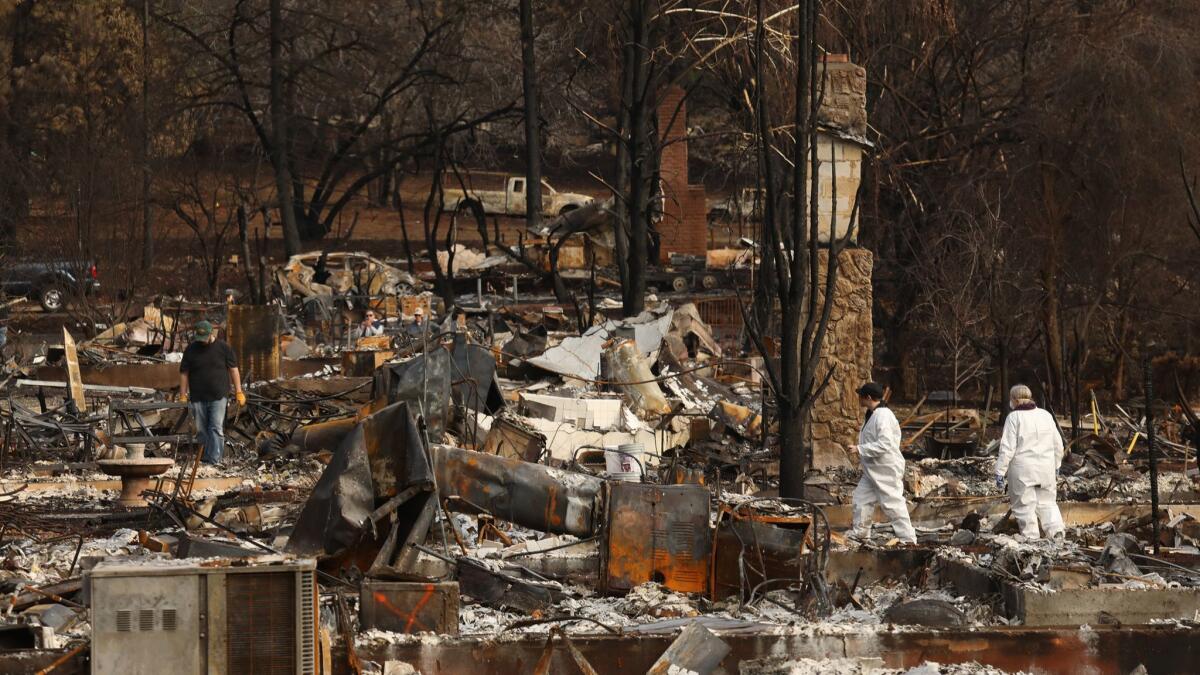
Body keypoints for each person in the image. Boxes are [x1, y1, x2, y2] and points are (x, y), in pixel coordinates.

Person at [995, 384, 1065, 540]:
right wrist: (1057, 464)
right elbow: (1058, 444)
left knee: (1025, 507)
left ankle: (1031, 540)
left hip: (1023, 471)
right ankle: (1057, 534)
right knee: (1048, 503)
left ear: (1013, 399)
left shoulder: (1014, 418)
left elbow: (1007, 448)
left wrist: (1000, 472)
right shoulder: (1045, 415)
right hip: (1046, 469)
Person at [851, 382, 917, 544]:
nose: (858, 398)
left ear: (867, 397)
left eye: (861, 395)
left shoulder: (883, 416)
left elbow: (885, 444)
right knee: (861, 500)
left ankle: (908, 540)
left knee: (892, 504)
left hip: (885, 469)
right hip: (873, 470)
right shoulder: (873, 413)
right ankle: (860, 535)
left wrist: (860, 449)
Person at [179, 320, 245, 465]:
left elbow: (233, 370)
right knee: (202, 430)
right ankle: (205, 458)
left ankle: (214, 460)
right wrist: (183, 395)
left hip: (218, 395)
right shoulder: (191, 349)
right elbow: (184, 373)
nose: (202, 342)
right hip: (198, 397)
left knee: (215, 427)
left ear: (211, 334)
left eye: (204, 338)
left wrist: (238, 391)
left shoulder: (224, 348)